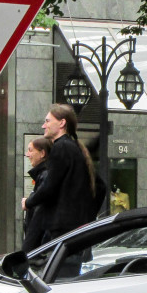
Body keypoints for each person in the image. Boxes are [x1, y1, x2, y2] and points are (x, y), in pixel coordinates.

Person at [27, 104, 102, 243]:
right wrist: (87, 217)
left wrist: (28, 202)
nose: (44, 126)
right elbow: (100, 187)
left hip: (63, 230)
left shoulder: (60, 147)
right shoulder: (75, 148)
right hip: (74, 228)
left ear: (62, 123)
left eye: (48, 121)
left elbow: (49, 187)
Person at [21, 136, 52, 252]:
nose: (27, 154)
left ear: (42, 153)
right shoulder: (43, 175)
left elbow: (39, 217)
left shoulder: (44, 176)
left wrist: (29, 249)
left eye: (30, 150)